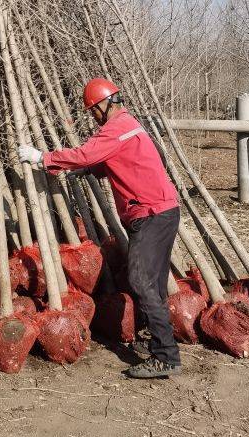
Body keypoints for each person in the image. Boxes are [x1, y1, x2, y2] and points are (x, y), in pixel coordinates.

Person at [18, 77, 181, 379]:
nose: (94, 117)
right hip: (162, 210)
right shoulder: (129, 123)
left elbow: (87, 152)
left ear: (104, 105)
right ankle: (160, 342)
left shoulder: (116, 127)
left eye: (93, 111)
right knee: (154, 283)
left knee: (141, 280)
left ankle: (166, 356)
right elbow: (113, 160)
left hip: (151, 213)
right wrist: (89, 169)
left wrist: (43, 158)